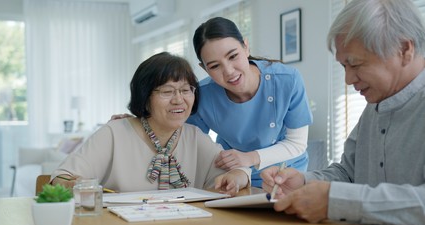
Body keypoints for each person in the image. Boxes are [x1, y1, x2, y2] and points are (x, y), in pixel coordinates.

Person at [261, 0, 425, 225]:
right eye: (344, 67)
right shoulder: (376, 104)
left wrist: (338, 202)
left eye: (355, 64)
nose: (348, 80)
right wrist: (303, 181)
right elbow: (349, 173)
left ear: (404, 50)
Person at [111, 17, 313, 187]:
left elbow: (296, 144)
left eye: (233, 56)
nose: (229, 71)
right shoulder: (204, 94)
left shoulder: (287, 80)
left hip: (286, 178)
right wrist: (139, 122)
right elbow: (178, 135)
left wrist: (250, 157)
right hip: (235, 179)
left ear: (245, 46)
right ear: (204, 68)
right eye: (215, 66)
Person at [51, 52, 250, 196]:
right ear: (145, 97)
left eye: (186, 90)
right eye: (167, 91)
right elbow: (62, 178)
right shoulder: (115, 132)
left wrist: (237, 177)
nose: (179, 100)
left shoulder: (194, 136)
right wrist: (83, 185)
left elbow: (236, 171)